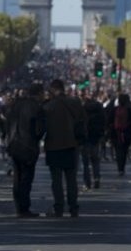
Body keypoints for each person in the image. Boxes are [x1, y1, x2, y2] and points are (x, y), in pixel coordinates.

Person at [43, 79, 86, 218]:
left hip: (53, 146)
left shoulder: (48, 106)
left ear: (54, 89)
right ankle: (73, 207)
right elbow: (83, 120)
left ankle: (59, 208)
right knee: (71, 179)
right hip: (71, 144)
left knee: (56, 180)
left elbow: (42, 127)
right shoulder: (75, 102)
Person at [5, 83, 46, 217]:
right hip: (28, 145)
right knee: (26, 178)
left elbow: (8, 122)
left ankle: (19, 206)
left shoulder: (16, 104)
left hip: (14, 143)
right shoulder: (37, 108)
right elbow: (40, 129)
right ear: (39, 93)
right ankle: (24, 207)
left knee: (17, 177)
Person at [80, 89, 105, 190]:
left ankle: (87, 182)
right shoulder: (99, 107)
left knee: (85, 163)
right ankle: (97, 178)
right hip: (96, 136)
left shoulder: (83, 108)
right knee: (95, 160)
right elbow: (104, 120)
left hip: (85, 137)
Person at [109, 93, 131, 176]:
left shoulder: (114, 110)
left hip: (116, 133)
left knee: (118, 150)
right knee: (124, 150)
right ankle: (122, 167)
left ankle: (120, 167)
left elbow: (109, 120)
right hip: (126, 133)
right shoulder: (129, 110)